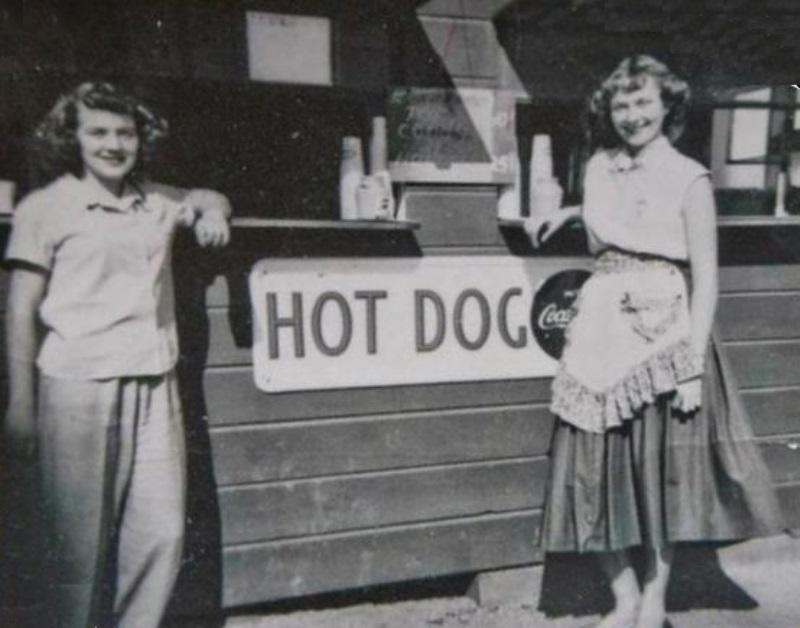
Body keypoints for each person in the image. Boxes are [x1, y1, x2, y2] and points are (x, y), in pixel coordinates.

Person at [526, 56, 785, 628]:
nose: (632, 115)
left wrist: (691, 363)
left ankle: (654, 600)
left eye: (643, 102)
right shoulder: (598, 167)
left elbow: (708, 276)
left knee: (657, 475)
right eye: (620, 104)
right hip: (600, 326)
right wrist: (573, 207)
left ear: (668, 106)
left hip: (663, 329)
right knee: (590, 467)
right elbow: (603, 236)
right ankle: (620, 598)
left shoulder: (690, 177)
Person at [3, 82, 231, 628]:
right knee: (75, 546)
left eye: (125, 132)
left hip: (154, 384)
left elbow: (205, 196)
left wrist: (211, 211)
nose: (113, 144)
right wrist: (19, 404)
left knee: (161, 532)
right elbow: (19, 311)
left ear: (141, 139)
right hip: (76, 388)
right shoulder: (46, 209)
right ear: (72, 137)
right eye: (98, 131)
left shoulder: (155, 201)